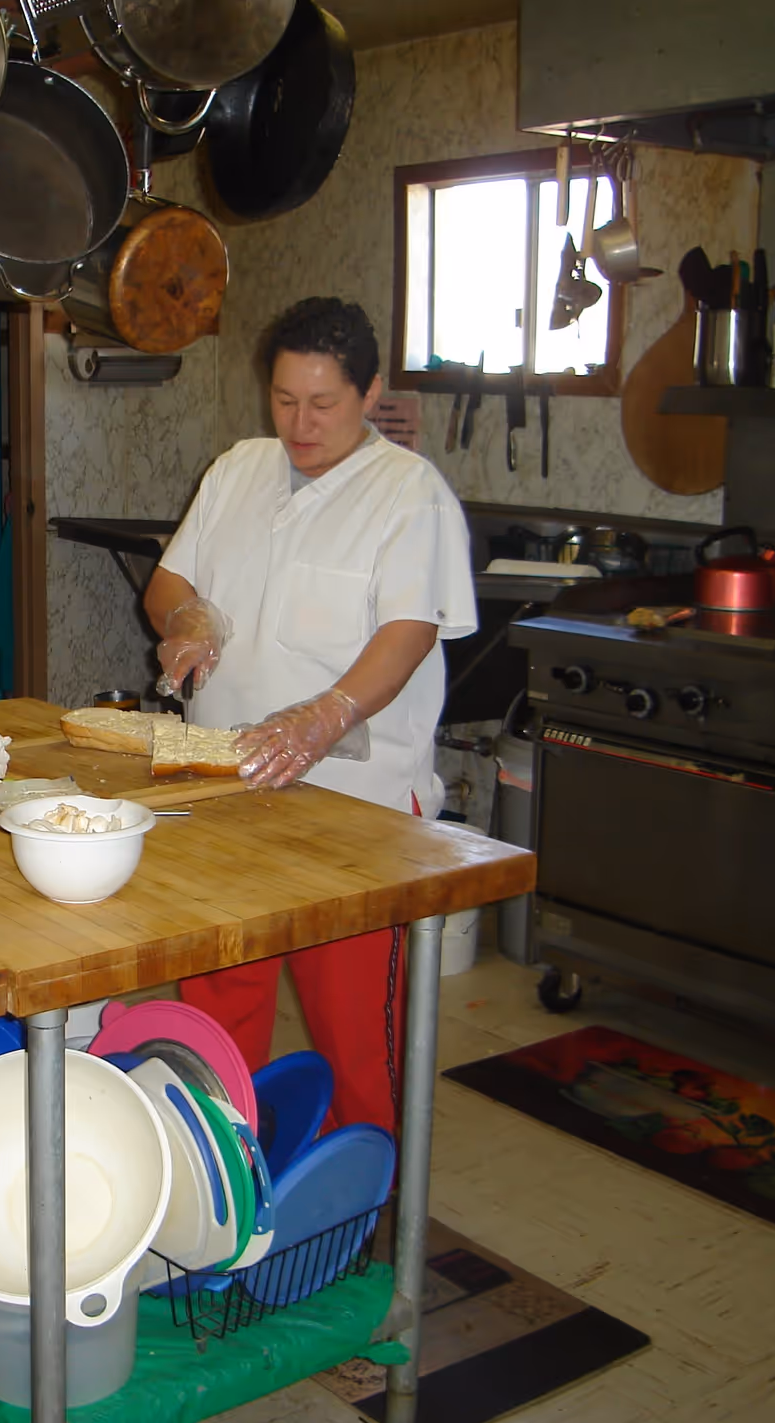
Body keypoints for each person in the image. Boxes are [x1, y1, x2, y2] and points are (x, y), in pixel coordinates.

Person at [143, 296, 476, 1134]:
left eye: (322, 403)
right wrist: (187, 617)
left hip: (353, 813)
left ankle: (367, 1217)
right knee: (217, 1010)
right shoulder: (239, 468)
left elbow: (408, 631)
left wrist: (327, 714)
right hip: (226, 789)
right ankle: (226, 1194)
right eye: (285, 399)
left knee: (356, 1032)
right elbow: (170, 582)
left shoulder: (409, 494)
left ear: (369, 396)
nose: (300, 422)